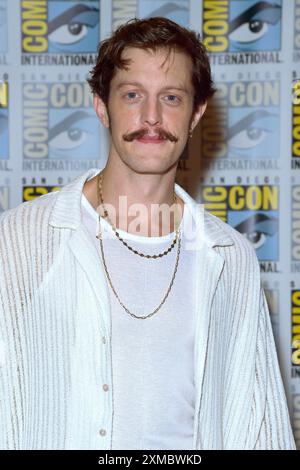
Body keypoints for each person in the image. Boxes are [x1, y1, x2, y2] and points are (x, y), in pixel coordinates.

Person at [0, 17, 296, 450]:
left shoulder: (230, 257)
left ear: (197, 114)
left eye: (171, 97)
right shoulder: (17, 241)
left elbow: (260, 428)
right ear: (102, 106)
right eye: (133, 95)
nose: (152, 117)